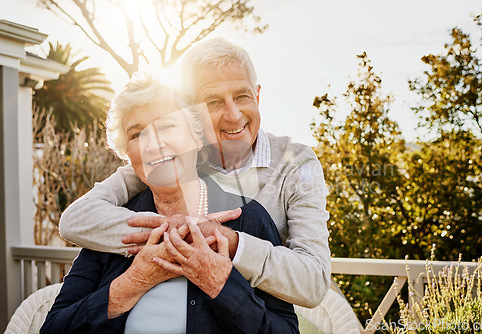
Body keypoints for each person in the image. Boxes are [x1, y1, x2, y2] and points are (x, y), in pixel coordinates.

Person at [59, 37, 331, 308]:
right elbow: (76, 219)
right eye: (213, 101)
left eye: (242, 96)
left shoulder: (296, 163)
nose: (234, 115)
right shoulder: (175, 159)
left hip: (265, 311)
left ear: (257, 96)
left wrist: (231, 242)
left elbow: (314, 283)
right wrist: (176, 231)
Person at [41, 75, 299, 333]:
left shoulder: (247, 218)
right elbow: (53, 328)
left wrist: (221, 285)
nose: (153, 144)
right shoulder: (110, 225)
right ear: (127, 154)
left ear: (197, 138)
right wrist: (134, 281)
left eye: (166, 127)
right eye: (137, 134)